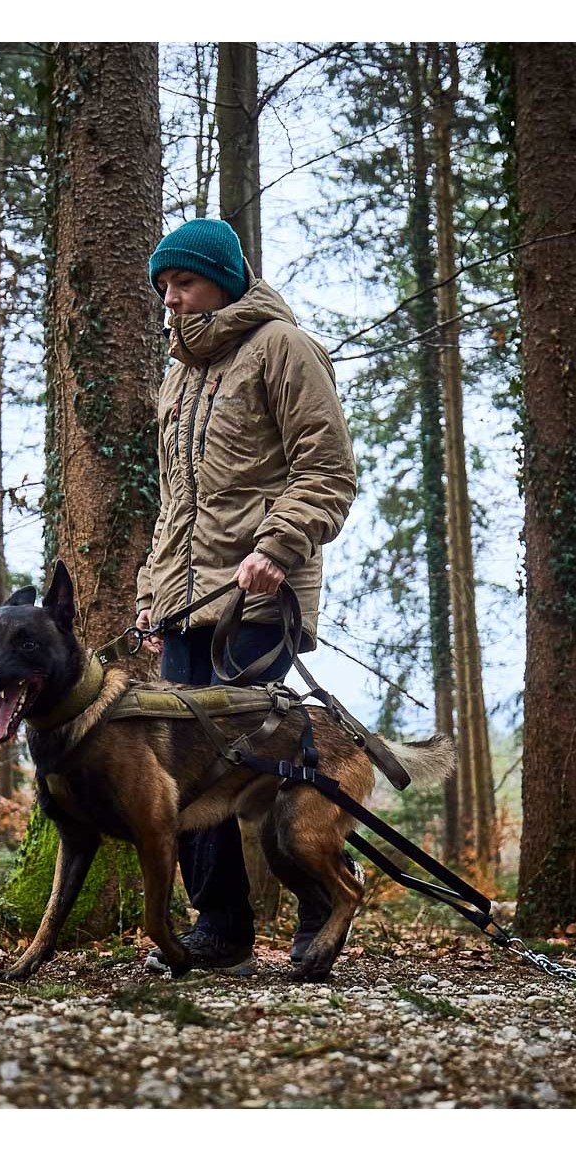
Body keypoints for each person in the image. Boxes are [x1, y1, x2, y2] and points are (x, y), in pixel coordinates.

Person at [135, 216, 358, 972]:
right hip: (184, 605)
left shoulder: (283, 348)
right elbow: (175, 504)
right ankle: (221, 929)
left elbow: (327, 470)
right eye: (164, 286)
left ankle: (322, 898)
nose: (171, 299)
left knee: (253, 762)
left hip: (259, 600)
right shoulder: (178, 376)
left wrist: (276, 547)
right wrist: (153, 595)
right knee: (178, 767)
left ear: (224, 282)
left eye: (184, 282)